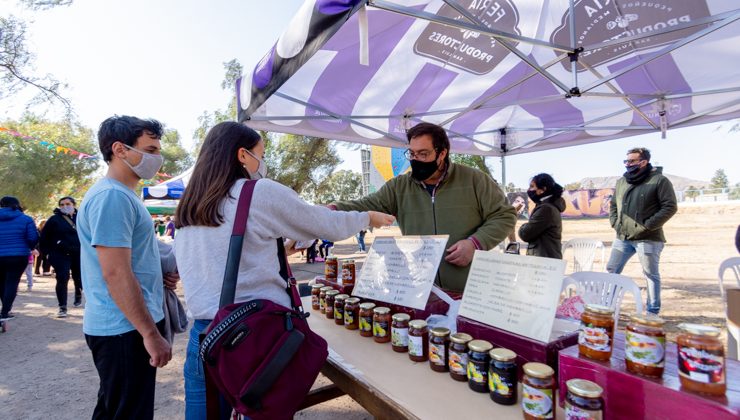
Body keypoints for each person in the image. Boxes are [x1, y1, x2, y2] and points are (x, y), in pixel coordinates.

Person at [174, 122, 395, 419]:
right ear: (242, 155)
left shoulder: (191, 204)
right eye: (260, 155)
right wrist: (366, 216)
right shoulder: (257, 191)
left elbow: (217, 257)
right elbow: (322, 223)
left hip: (204, 338)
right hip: (253, 336)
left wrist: (275, 250)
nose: (262, 164)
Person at [331, 122, 516, 292]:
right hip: (421, 290)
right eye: (412, 154)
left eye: (423, 154)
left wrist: (475, 243)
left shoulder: (474, 180)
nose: (416, 159)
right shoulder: (399, 186)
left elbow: (505, 215)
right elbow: (366, 205)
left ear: (442, 153)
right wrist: (332, 209)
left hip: (470, 289)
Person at [77, 115, 177, 419]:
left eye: (158, 150)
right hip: (124, 329)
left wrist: (159, 272)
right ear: (119, 149)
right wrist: (149, 333)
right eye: (149, 149)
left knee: (114, 408)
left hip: (125, 326)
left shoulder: (122, 195)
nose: (156, 158)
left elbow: (129, 258)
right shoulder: (112, 197)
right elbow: (115, 272)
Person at [607, 147, 677, 315]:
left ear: (643, 162)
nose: (627, 164)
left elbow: (670, 207)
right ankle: (608, 306)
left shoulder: (659, 181)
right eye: (626, 161)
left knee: (650, 274)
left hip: (648, 238)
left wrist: (647, 226)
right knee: (611, 270)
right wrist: (616, 224)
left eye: (632, 161)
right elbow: (614, 205)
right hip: (622, 237)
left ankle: (652, 312)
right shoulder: (622, 182)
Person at [40, 196, 83, 317]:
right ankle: (62, 307)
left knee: (78, 277)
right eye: (62, 204)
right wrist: (47, 254)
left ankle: (78, 293)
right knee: (62, 278)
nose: (65, 206)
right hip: (60, 254)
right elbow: (44, 238)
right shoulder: (54, 220)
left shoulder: (82, 217)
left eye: (68, 204)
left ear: (74, 204)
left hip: (78, 253)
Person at [0, 196, 39, 322]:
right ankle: (5, 312)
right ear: (17, 205)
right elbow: (32, 238)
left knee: (1, 282)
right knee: (12, 282)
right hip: (18, 255)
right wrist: (31, 246)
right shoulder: (25, 219)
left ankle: (4, 309)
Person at [517, 173, 566, 259]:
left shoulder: (546, 209)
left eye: (532, 186)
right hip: (546, 259)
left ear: (543, 189)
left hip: (545, 262)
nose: (529, 190)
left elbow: (526, 234)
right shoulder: (547, 206)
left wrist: (523, 226)